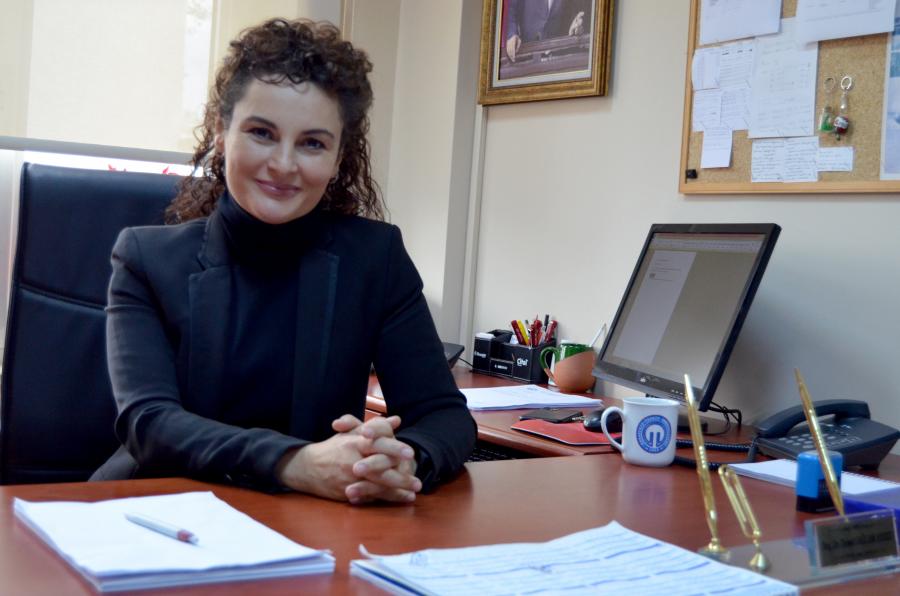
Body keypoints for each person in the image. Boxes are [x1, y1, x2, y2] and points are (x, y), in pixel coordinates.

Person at [91, 18, 476, 505]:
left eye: (312, 143)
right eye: (261, 133)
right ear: (221, 132)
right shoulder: (146, 260)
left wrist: (400, 460)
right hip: (159, 513)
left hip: (311, 522)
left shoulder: (375, 259)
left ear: (338, 157)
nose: (283, 164)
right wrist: (297, 463)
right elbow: (150, 423)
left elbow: (444, 415)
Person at [504, 0, 591, 63]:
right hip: (527, 55)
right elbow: (511, 9)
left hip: (560, 56)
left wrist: (577, 24)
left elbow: (581, 11)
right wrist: (511, 34)